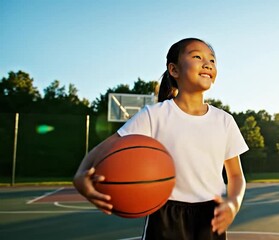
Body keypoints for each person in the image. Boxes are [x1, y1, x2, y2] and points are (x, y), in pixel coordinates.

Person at [73, 37, 249, 240]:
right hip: (165, 216)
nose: (207, 63)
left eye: (212, 59)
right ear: (174, 70)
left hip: (211, 216)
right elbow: (107, 147)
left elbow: (236, 176)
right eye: (197, 57)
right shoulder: (154, 115)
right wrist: (81, 174)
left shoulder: (224, 120)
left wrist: (234, 203)